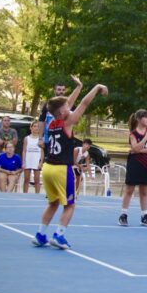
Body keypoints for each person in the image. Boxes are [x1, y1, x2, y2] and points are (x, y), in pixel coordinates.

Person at [32, 81, 108, 249]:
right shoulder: (68, 122)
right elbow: (83, 103)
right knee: (70, 205)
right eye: (67, 106)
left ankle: (40, 234)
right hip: (61, 169)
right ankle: (59, 235)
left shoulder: (52, 123)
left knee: (53, 203)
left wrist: (79, 87)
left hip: (48, 168)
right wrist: (95, 87)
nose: (70, 107)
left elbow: (67, 105)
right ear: (62, 111)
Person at [118, 109, 147, 227]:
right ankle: (123, 215)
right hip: (134, 163)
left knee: (144, 191)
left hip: (146, 164)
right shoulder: (133, 134)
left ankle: (144, 215)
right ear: (139, 119)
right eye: (144, 117)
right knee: (129, 190)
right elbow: (134, 148)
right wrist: (145, 139)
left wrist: (140, 150)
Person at [39, 76, 82, 151]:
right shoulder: (49, 105)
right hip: (48, 139)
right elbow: (41, 121)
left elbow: (77, 121)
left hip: (64, 139)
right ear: (54, 91)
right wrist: (40, 138)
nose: (61, 91)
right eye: (59, 89)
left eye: (63, 90)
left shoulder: (68, 105)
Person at [22, 121, 45, 194]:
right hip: (28, 160)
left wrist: (41, 162)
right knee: (26, 179)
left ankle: (37, 194)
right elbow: (24, 150)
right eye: (34, 126)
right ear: (31, 128)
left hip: (36, 161)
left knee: (37, 180)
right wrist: (24, 162)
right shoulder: (27, 138)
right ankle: (25, 194)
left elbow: (42, 151)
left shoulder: (40, 139)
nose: (36, 128)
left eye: (37, 126)